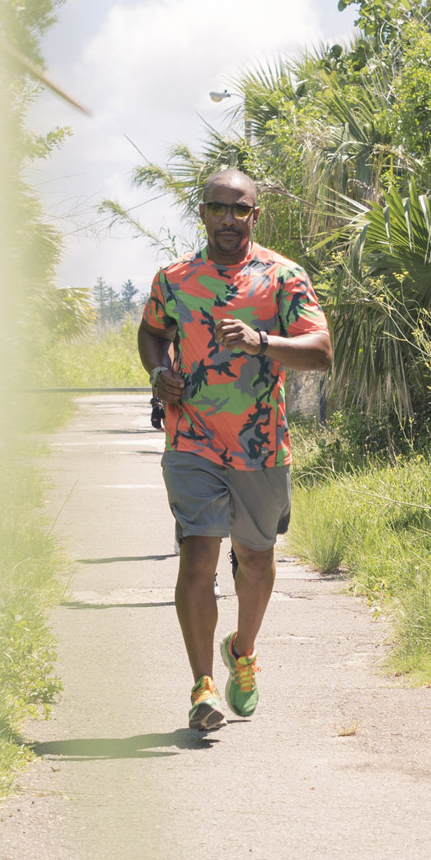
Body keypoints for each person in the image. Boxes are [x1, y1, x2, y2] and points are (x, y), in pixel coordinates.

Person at [138, 169, 332, 733]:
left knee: (256, 559)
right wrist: (157, 372)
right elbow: (153, 331)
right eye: (218, 208)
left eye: (239, 209)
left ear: (254, 214)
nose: (228, 219)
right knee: (197, 554)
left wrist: (262, 341)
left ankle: (242, 652)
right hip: (192, 438)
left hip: (261, 445)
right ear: (202, 213)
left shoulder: (282, 276)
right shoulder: (174, 278)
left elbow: (320, 352)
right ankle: (201, 686)